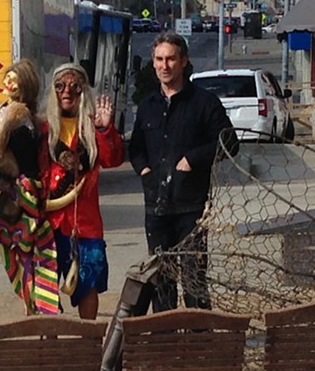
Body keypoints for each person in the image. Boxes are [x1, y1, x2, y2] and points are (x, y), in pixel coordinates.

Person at [128, 31, 238, 313]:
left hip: (191, 207)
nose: (165, 66)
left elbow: (229, 143)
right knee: (161, 278)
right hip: (156, 206)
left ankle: (199, 341)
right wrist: (144, 172)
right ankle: (165, 339)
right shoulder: (148, 106)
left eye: (171, 59)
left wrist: (193, 158)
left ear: (183, 61)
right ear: (153, 63)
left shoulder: (203, 103)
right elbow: (136, 148)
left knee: (193, 278)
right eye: (159, 59)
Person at [0, 59, 59, 316]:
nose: (8, 83)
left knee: (26, 247)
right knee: (16, 247)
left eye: (14, 79)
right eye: (6, 78)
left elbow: (8, 155)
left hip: (24, 191)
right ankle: (31, 302)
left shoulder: (18, 116)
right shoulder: (4, 111)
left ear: (26, 84)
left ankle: (34, 304)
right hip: (12, 190)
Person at [40, 63, 125, 320]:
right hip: (49, 223)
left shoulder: (91, 127)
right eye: (60, 87)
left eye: (75, 87)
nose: (67, 92)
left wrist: (104, 129)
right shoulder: (43, 129)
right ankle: (49, 347)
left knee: (88, 286)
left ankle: (89, 344)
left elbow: (113, 159)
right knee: (46, 288)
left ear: (83, 91)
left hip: (85, 224)